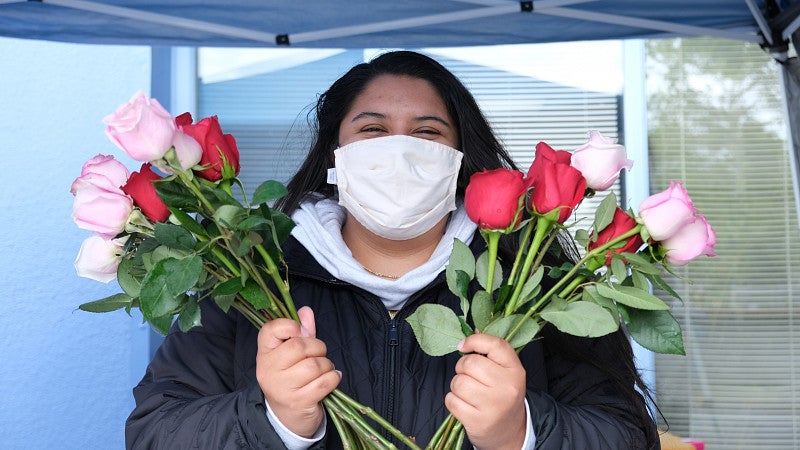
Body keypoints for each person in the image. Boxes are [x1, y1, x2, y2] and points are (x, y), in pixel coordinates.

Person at [126, 50, 660, 449]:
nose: (399, 151)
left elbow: (628, 435)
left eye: (427, 133)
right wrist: (273, 421)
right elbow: (154, 430)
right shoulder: (251, 280)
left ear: (459, 158)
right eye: (372, 130)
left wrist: (520, 431)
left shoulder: (542, 285)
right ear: (335, 154)